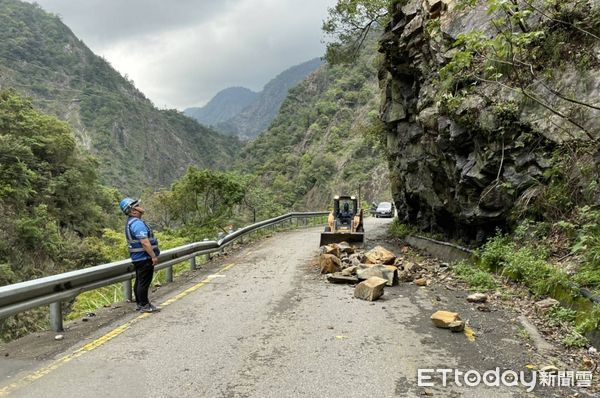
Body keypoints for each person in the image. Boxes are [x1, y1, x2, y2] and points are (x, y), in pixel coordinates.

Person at [119, 197, 161, 313]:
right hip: (144, 257)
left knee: (140, 281)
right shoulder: (137, 223)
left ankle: (141, 303)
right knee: (143, 282)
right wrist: (153, 256)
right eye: (137, 205)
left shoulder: (131, 222)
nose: (140, 206)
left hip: (138, 258)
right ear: (133, 210)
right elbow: (144, 242)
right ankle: (143, 305)